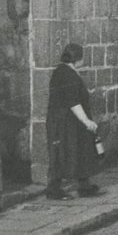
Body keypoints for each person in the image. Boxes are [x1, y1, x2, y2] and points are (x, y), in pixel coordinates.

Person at [46, 42, 101, 198]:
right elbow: (73, 102)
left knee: (81, 150)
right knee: (62, 153)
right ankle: (53, 189)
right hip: (64, 122)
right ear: (78, 58)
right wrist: (86, 121)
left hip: (70, 121)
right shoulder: (67, 74)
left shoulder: (63, 70)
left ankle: (84, 185)